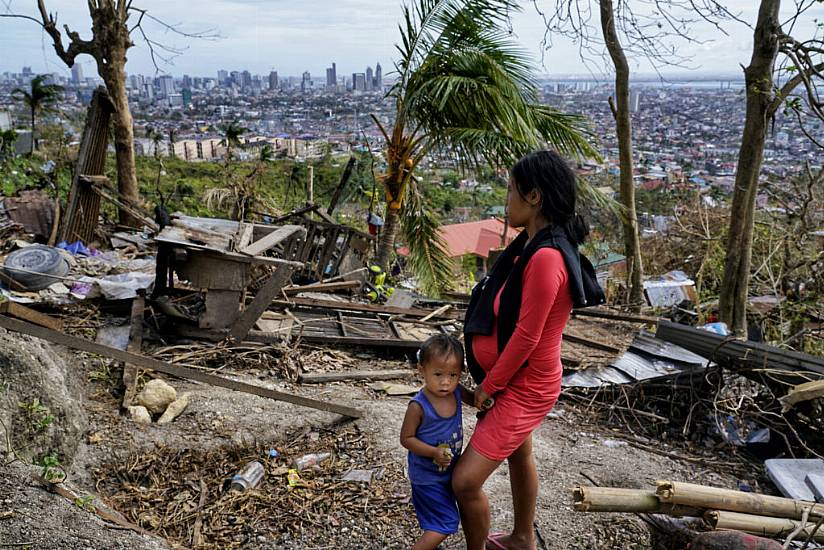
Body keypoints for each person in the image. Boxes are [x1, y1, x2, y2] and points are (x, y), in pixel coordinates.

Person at [452, 150, 605, 550]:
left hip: (525, 386)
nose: (507, 201)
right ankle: (522, 538)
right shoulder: (532, 245)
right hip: (514, 379)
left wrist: (490, 387)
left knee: (464, 482)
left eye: (511, 191)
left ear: (534, 196)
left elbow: (527, 336)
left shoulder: (546, 257)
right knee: (520, 455)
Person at [400, 334, 475, 550]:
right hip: (427, 477)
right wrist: (433, 452)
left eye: (453, 375)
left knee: (438, 518)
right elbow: (406, 439)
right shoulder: (418, 406)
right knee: (445, 523)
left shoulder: (457, 392)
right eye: (438, 374)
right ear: (421, 369)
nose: (445, 382)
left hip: (448, 472)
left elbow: (477, 400)